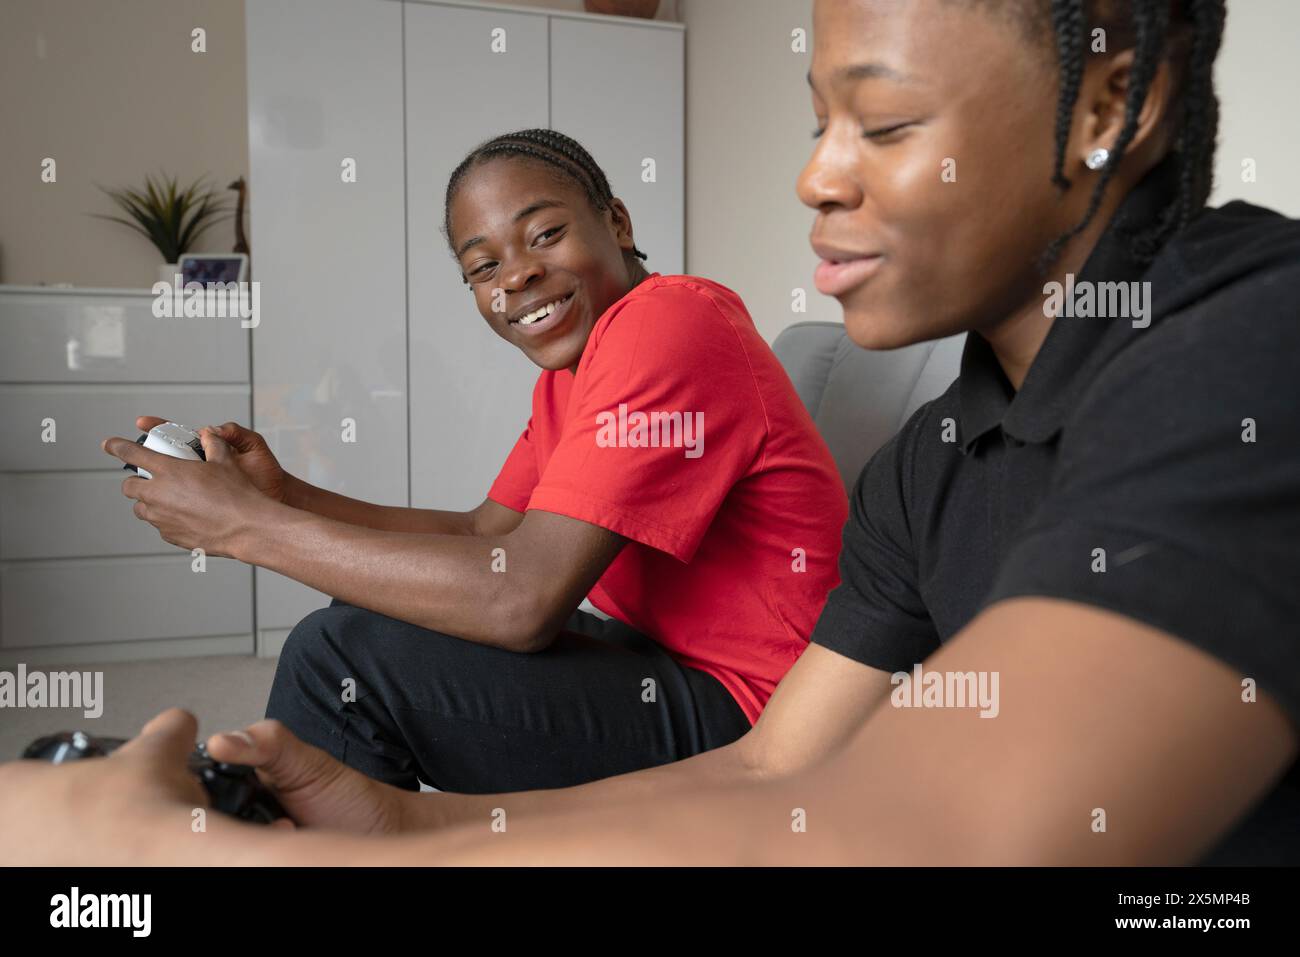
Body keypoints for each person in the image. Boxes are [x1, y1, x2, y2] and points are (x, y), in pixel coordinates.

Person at [3, 0, 1297, 866]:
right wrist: (412, 821)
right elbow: (773, 772)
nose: (816, 177)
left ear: (1108, 102)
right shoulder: (934, 463)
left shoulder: (1254, 335)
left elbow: (959, 816)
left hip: (700, 690)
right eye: (816, 124)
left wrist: (162, 856)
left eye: (887, 124)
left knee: (352, 654)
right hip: (710, 697)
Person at [97, 129, 848, 793]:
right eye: (481, 267)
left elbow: (521, 599)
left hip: (768, 716)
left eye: (545, 234)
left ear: (616, 220)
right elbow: (482, 534)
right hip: (673, 663)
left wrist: (244, 528)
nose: (514, 277)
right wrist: (284, 495)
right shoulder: (570, 378)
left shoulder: (669, 324)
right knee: (363, 616)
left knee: (341, 657)